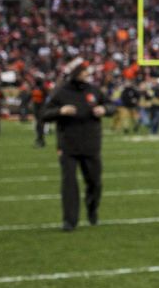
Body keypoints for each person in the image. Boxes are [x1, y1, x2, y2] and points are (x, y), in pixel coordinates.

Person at [40, 58, 110, 231]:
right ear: (76, 73)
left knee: (95, 182)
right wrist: (60, 111)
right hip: (68, 144)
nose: (87, 74)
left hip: (91, 144)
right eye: (84, 71)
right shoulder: (61, 92)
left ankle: (92, 209)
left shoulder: (94, 90)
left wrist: (105, 110)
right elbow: (44, 114)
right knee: (69, 184)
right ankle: (70, 221)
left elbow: (109, 104)